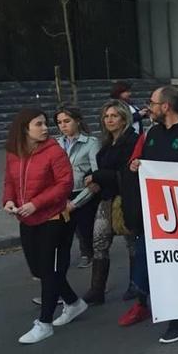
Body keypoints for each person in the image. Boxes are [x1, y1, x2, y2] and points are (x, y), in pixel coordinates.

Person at [3, 108, 87, 344]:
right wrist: (9, 201)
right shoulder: (14, 153)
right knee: (39, 270)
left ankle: (45, 323)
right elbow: (9, 181)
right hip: (27, 218)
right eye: (38, 124)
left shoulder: (54, 152)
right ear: (24, 129)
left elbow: (64, 184)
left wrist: (35, 203)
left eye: (44, 124)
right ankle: (73, 303)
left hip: (55, 218)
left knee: (50, 270)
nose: (45, 128)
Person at [118, 86, 178, 328]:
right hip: (156, 212)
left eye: (152, 102)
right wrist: (137, 165)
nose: (148, 107)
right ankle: (143, 302)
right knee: (147, 256)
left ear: (166, 106)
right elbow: (144, 162)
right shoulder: (152, 133)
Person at [82, 100, 138, 305]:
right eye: (106, 116)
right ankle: (96, 289)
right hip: (107, 199)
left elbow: (125, 173)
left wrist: (98, 176)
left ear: (124, 118)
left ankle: (136, 284)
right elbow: (101, 169)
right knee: (99, 241)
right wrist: (93, 177)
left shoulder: (132, 140)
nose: (109, 120)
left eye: (114, 116)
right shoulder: (107, 143)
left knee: (132, 242)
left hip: (127, 198)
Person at [55, 105, 100, 270]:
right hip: (61, 193)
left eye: (67, 121)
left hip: (83, 191)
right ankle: (59, 261)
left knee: (84, 228)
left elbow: (96, 175)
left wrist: (76, 203)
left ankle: (88, 253)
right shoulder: (56, 143)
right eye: (59, 122)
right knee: (62, 230)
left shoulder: (91, 142)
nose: (63, 125)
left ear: (78, 121)